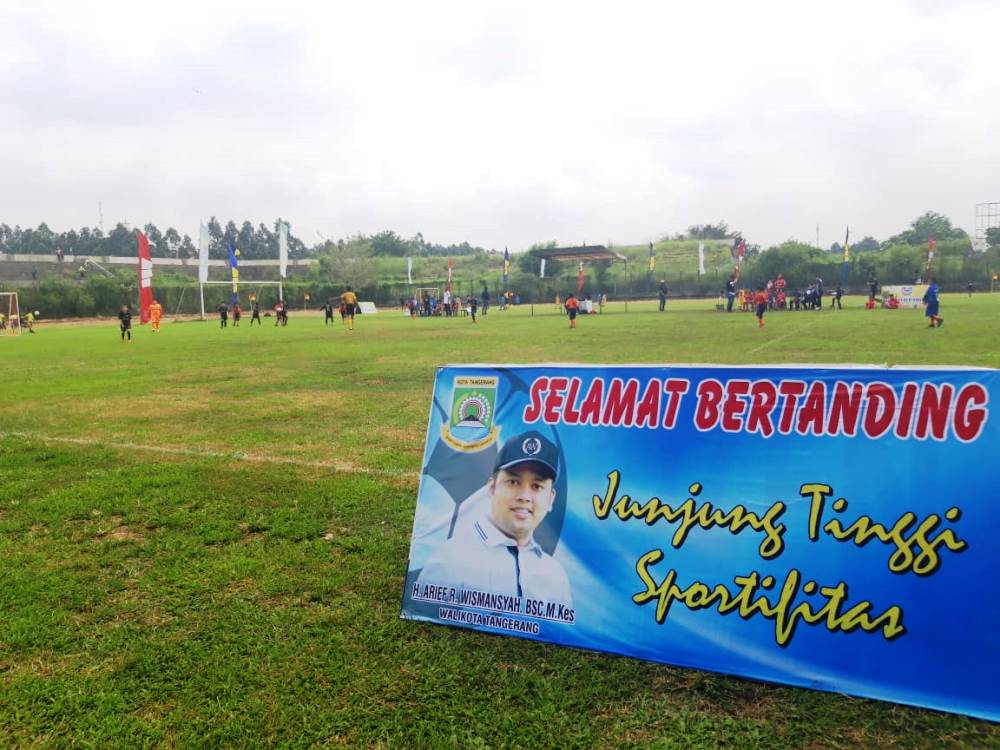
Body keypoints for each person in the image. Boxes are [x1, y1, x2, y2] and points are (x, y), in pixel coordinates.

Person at [414, 431, 571, 607]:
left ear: (550, 499)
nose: (525, 496)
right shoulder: (451, 558)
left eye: (536, 486)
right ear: (491, 488)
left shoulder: (555, 574)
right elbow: (424, 614)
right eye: (513, 482)